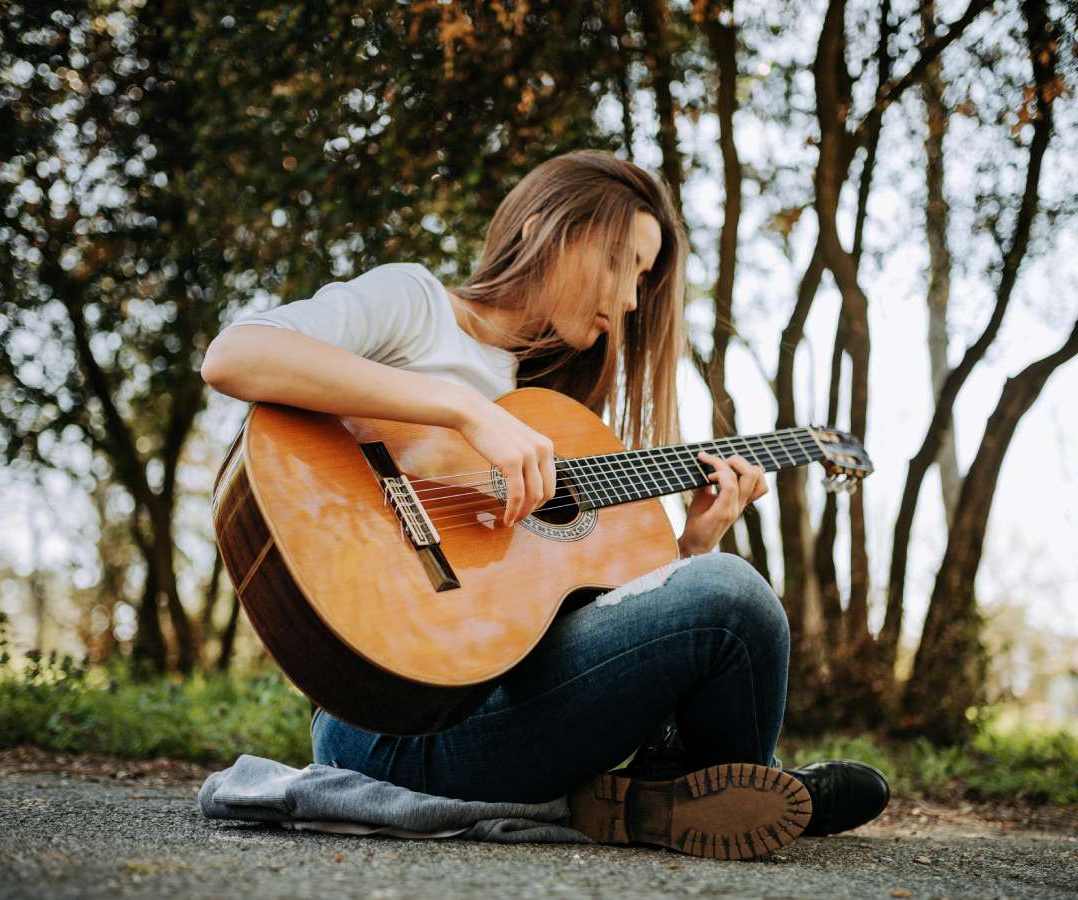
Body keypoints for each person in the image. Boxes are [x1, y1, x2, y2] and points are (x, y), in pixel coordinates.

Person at [200, 148, 889, 860]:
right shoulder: (417, 307)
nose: (629, 299)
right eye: (624, 263)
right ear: (543, 228)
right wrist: (466, 410)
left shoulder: (560, 418)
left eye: (644, 280)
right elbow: (236, 354)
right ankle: (741, 783)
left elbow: (593, 634)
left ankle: (678, 793)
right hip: (389, 725)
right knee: (737, 595)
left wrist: (689, 551)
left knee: (727, 595)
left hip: (515, 720)